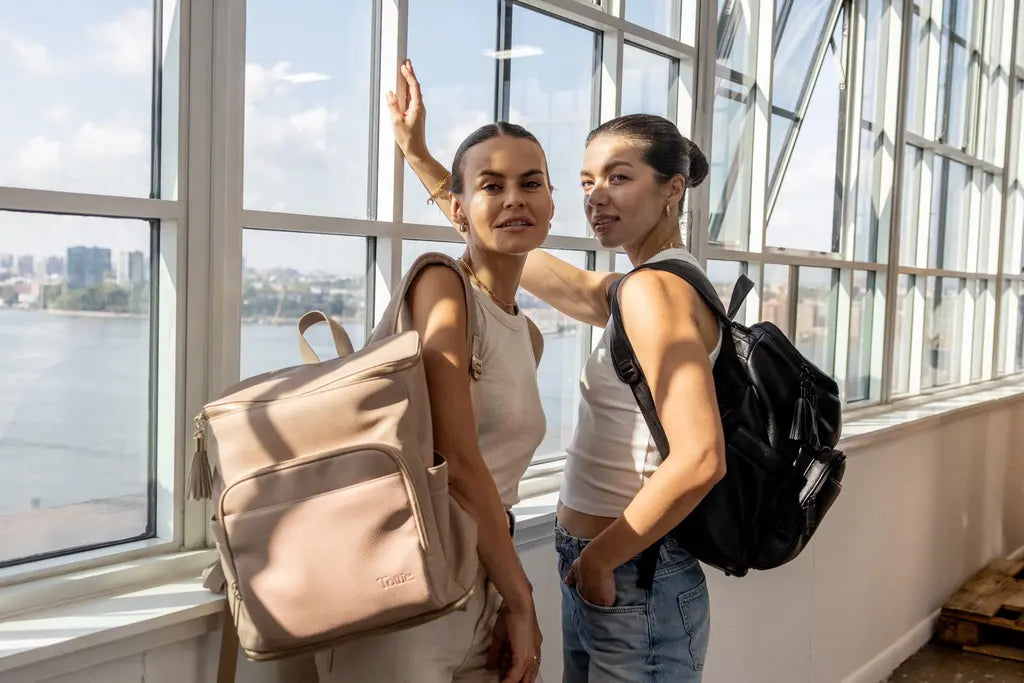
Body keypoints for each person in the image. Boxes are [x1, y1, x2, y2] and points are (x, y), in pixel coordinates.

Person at [389, 58, 726, 681]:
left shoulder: (656, 292)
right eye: (586, 181)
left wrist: (599, 561)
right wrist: (427, 163)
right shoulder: (641, 287)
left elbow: (702, 458)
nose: (597, 197)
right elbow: (514, 248)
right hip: (612, 570)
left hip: (629, 572)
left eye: (619, 178)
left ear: (672, 188)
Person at [316, 121, 553, 683]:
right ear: (459, 208)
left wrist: (505, 593)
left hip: (484, 580)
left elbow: (493, 480)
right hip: (406, 586)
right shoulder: (441, 287)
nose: (515, 198)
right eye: (492, 186)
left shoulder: (530, 336)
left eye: (531, 182)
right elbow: (458, 462)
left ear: (550, 203)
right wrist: (523, 601)